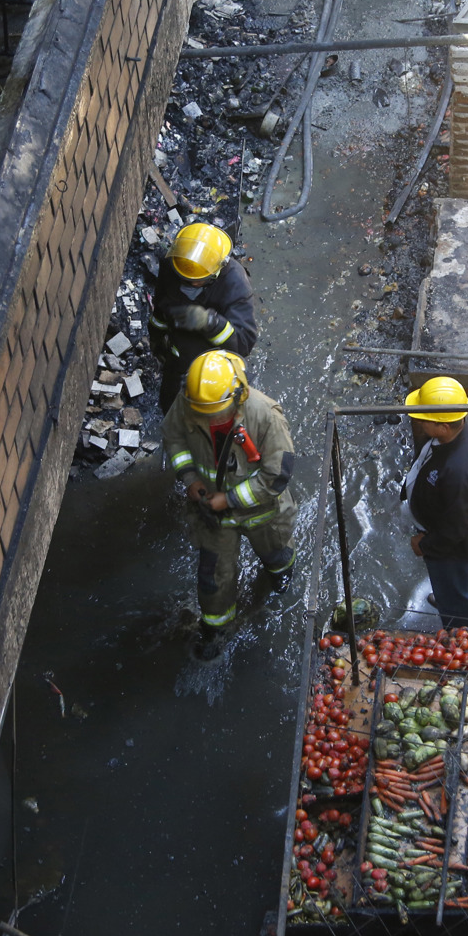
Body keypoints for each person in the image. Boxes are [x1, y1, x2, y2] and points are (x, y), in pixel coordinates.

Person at [165, 350, 297, 657]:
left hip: (262, 511)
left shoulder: (265, 416)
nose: (210, 417)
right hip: (211, 513)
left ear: (238, 394)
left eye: (217, 411)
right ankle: (216, 629)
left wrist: (230, 499)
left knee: (277, 553)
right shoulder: (188, 403)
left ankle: (280, 578)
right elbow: (174, 438)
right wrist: (190, 479)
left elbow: (277, 477)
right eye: (204, 411)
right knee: (213, 578)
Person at [400, 377, 468, 628]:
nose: (417, 420)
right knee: (466, 573)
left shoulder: (459, 472)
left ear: (442, 428)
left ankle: (463, 631)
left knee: (451, 579)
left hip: (452, 542)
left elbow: (453, 531)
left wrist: (426, 544)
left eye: (422, 418)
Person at [148, 222, 257, 414]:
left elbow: (243, 345)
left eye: (195, 281)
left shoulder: (235, 284)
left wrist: (211, 323)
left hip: (212, 368)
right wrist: (156, 339)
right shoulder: (175, 264)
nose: (187, 283)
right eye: (183, 278)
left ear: (216, 272)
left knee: (209, 414)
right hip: (176, 358)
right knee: (171, 407)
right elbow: (161, 307)